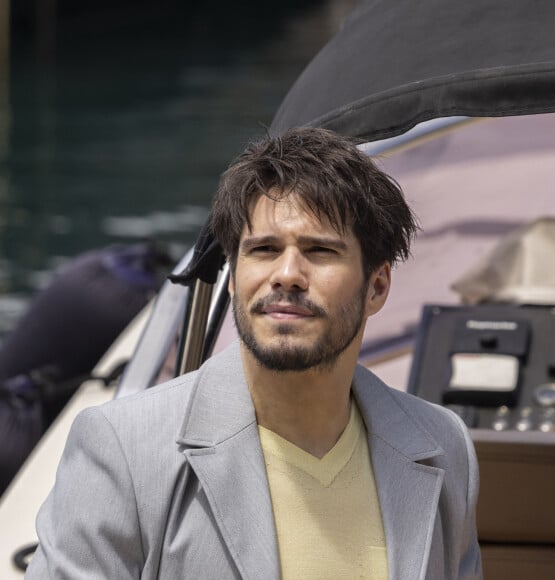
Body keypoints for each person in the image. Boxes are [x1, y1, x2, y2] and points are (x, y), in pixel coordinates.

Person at [26, 127, 482, 579]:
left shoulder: (444, 446)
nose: (287, 275)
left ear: (377, 286)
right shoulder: (123, 449)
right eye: (263, 249)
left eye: (320, 250)